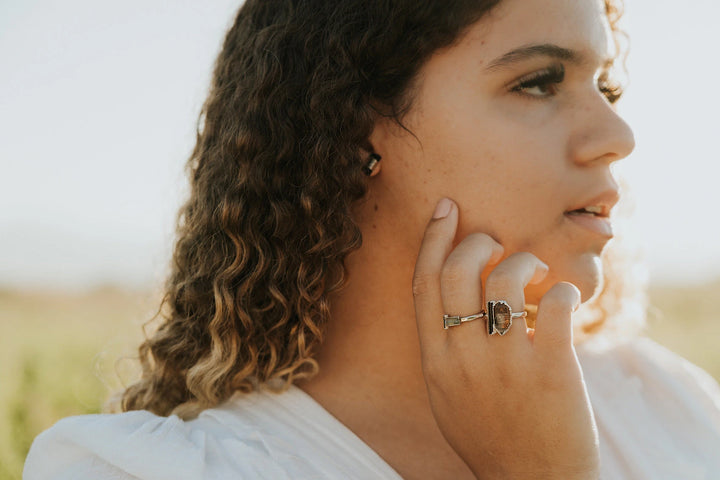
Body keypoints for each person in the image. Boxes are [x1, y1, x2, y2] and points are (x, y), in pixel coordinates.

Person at [24, 0, 720, 478]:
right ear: (356, 126)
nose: (617, 139)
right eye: (538, 82)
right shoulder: (157, 471)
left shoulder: (661, 401)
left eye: (607, 88)